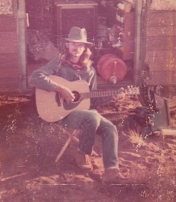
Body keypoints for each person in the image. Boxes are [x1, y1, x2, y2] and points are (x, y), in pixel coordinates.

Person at [29, 26, 128, 183]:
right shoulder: (58, 63)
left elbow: (91, 100)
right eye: (73, 44)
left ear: (85, 48)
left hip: (83, 114)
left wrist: (112, 97)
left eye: (80, 45)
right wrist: (59, 88)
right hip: (60, 113)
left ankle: (111, 170)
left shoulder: (90, 71)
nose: (76, 48)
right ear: (67, 45)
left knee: (110, 128)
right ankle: (82, 152)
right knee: (92, 117)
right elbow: (35, 77)